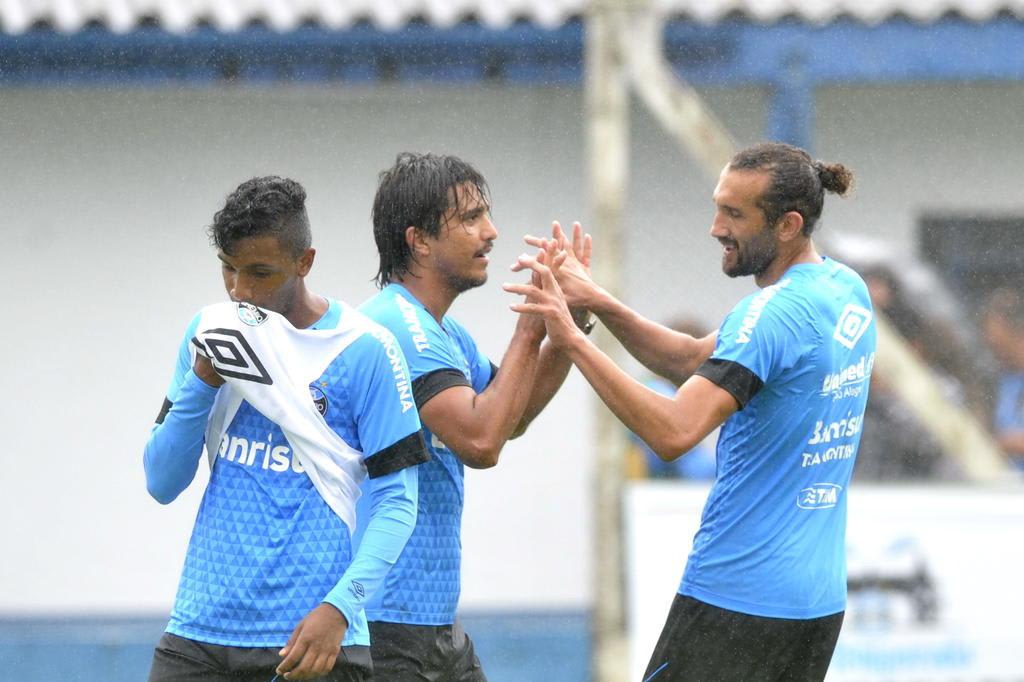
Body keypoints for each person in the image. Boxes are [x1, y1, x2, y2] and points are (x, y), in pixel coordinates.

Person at [507, 142, 874, 681]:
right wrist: (597, 300)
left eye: (733, 214)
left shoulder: (773, 314)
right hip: (815, 603)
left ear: (788, 224)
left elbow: (675, 431)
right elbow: (690, 360)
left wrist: (573, 339)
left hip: (738, 597)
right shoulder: (845, 289)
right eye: (717, 206)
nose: (715, 227)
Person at [143, 176, 428, 682]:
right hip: (200, 636)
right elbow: (161, 481)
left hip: (312, 642)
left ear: (305, 262)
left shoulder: (365, 349)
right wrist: (203, 381)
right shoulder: (209, 333)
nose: (240, 291)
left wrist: (341, 608)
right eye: (228, 271)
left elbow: (399, 502)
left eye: (260, 273)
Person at [357, 152, 587, 680]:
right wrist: (532, 327)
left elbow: (514, 412)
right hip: (382, 626)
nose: (492, 232)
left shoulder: (442, 333)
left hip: (429, 622)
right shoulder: (396, 327)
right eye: (471, 219)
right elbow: (482, 442)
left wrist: (573, 320)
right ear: (419, 240)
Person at [982, 287, 1024, 469]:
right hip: (1000, 489)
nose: (988, 340)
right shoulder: (994, 382)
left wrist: (1008, 443)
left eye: (993, 333)